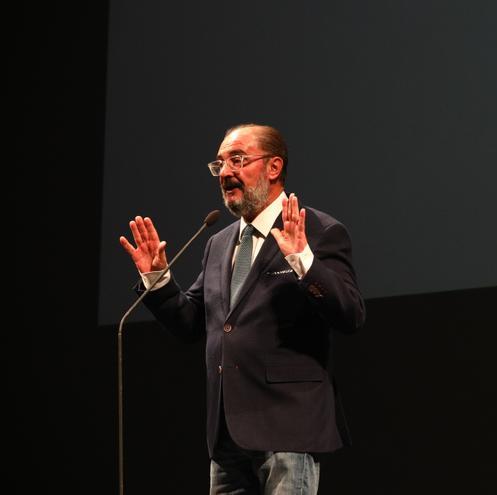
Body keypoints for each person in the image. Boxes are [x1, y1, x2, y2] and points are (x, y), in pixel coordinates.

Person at [120, 123, 365, 494]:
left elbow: (349, 315)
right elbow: (192, 324)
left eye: (237, 160)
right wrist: (158, 280)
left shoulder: (318, 230)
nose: (226, 173)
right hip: (228, 435)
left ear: (274, 167)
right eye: (219, 165)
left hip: (288, 429)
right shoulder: (218, 243)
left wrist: (303, 261)